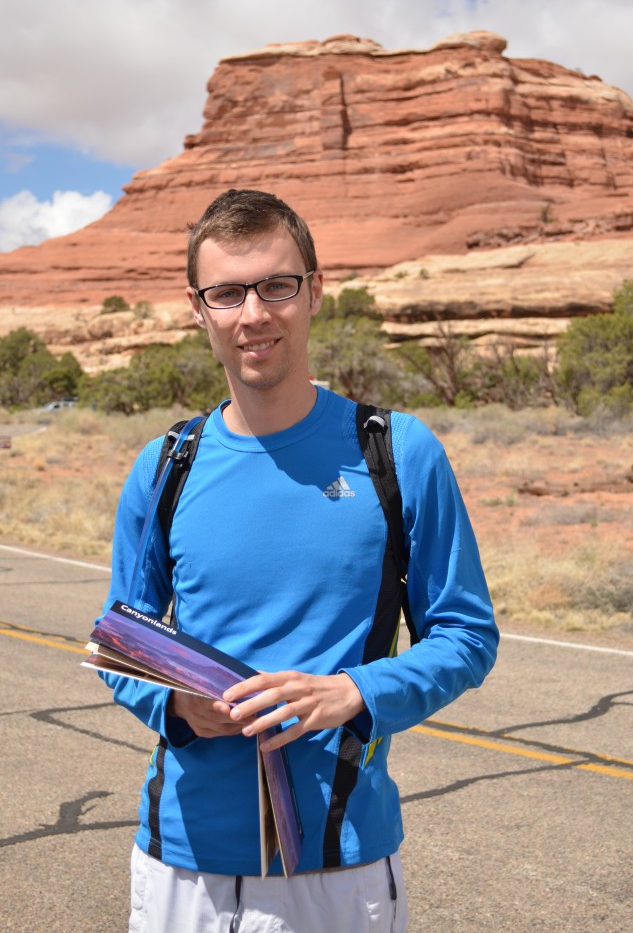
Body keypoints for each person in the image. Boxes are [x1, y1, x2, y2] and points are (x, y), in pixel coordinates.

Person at [96, 188, 499, 933]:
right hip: (183, 865)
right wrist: (178, 706)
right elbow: (120, 641)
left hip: (342, 869)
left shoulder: (398, 452)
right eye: (226, 293)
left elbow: (467, 635)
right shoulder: (165, 466)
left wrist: (353, 691)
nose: (253, 314)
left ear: (315, 290)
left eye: (276, 285)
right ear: (198, 309)